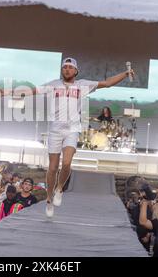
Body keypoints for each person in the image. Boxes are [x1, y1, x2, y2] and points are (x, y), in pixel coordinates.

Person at [35, 57, 133, 217]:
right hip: (54, 130)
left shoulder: (83, 85)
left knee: (66, 163)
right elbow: (32, 91)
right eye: (64, 67)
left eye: (70, 67)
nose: (67, 69)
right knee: (52, 168)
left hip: (72, 130)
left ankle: (60, 188)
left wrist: (125, 73)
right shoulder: (53, 85)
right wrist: (7, 92)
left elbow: (107, 83)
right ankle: (48, 199)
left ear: (76, 71)